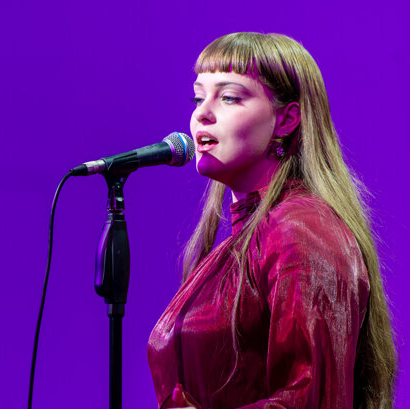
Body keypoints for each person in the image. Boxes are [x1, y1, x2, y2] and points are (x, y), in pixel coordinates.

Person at [147, 32, 397, 409]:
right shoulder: (250, 238)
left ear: (287, 119)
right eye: (199, 97)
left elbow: (312, 399)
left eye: (229, 97)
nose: (202, 114)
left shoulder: (302, 229)